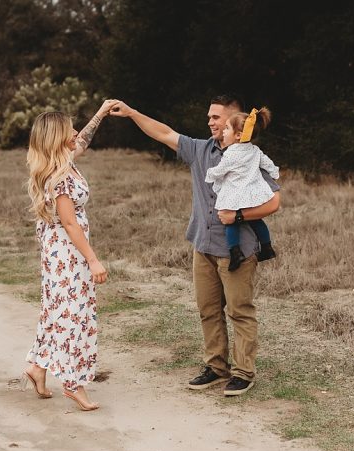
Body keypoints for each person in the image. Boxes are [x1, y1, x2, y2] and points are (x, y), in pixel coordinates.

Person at [110, 95, 280, 396]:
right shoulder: (201, 150)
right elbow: (163, 133)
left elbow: (274, 202)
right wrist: (132, 112)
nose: (210, 122)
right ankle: (216, 367)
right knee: (208, 309)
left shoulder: (252, 156)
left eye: (216, 117)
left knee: (240, 311)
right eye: (210, 117)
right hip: (203, 246)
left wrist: (238, 215)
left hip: (237, 249)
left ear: (235, 121)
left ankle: (243, 373)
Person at [22, 100, 120, 411]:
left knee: (57, 311)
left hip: (59, 251)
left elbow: (85, 140)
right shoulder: (59, 175)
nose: (76, 132)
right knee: (74, 315)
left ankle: (38, 366)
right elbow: (69, 222)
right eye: (70, 129)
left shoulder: (62, 161)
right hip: (67, 253)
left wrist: (102, 113)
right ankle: (73, 384)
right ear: (57, 137)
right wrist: (92, 259)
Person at [205, 107, 279, 271]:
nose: (224, 132)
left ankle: (235, 252)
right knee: (255, 220)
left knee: (230, 223)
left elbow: (221, 170)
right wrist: (275, 172)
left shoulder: (231, 153)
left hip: (234, 194)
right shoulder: (254, 150)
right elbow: (268, 164)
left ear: (238, 135)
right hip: (251, 194)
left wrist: (210, 174)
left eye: (227, 129)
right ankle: (266, 247)